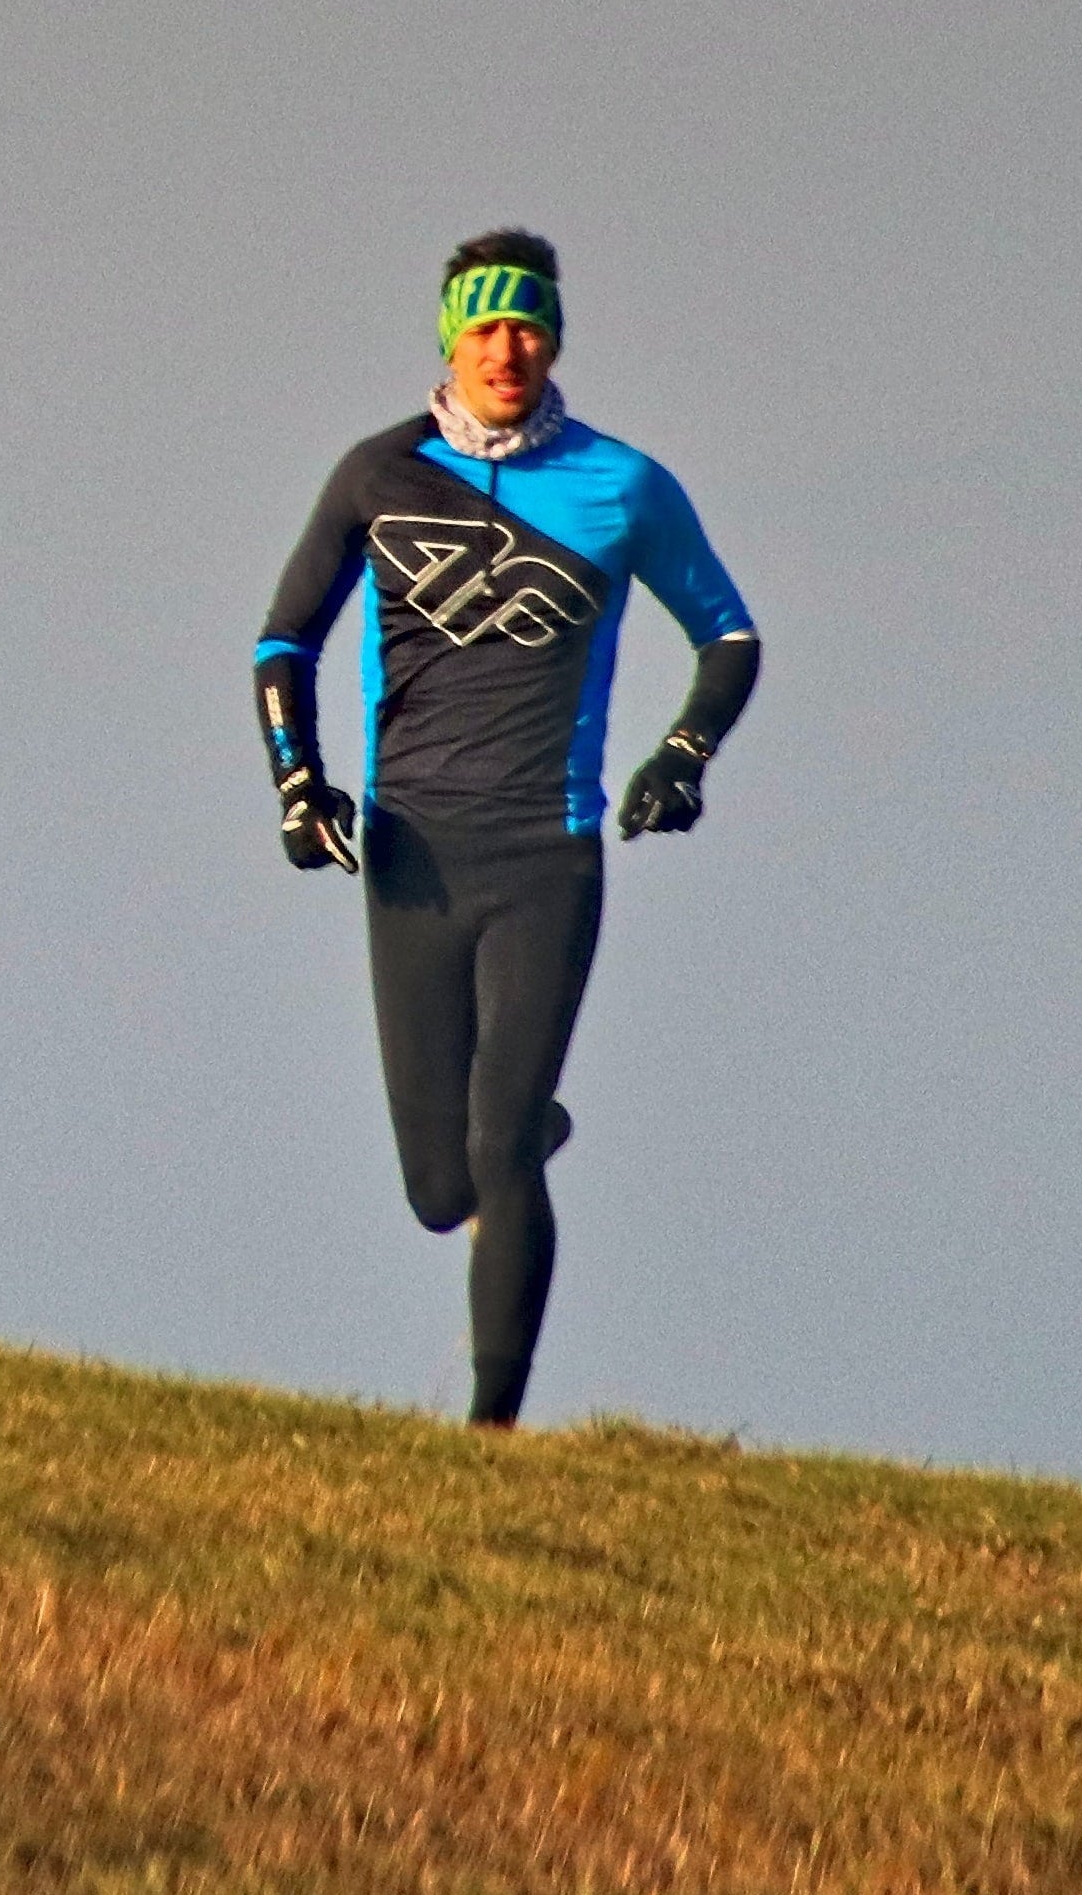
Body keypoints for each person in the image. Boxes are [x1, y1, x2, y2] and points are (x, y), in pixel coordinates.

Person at [252, 230, 761, 1429]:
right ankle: (522, 1127)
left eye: (527, 325)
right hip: (410, 853)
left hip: (547, 851)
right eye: (483, 327)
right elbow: (284, 639)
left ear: (556, 339)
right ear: (448, 340)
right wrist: (298, 783)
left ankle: (491, 1435)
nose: (506, 348)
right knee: (440, 1183)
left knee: (497, 1151)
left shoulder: (621, 483)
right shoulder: (379, 472)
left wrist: (683, 753)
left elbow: (729, 634)